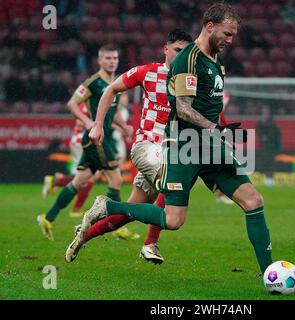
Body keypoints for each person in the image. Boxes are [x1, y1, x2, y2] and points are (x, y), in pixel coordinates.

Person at [67, 2, 273, 276]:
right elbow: (184, 108)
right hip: (179, 147)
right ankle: (130, 225)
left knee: (254, 200)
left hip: (208, 148)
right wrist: (97, 125)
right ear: (209, 26)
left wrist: (222, 132)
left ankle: (270, 273)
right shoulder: (185, 60)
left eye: (233, 34)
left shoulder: (216, 61)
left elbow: (207, 108)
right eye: (227, 33)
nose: (230, 40)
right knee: (172, 219)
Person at [65, 29, 192, 263]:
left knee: (127, 213)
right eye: (177, 50)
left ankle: (84, 235)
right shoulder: (149, 72)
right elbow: (110, 89)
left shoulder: (190, 82)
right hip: (147, 146)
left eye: (186, 52)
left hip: (169, 151)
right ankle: (150, 244)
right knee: (173, 180)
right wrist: (98, 125)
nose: (182, 56)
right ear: (166, 49)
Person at [37, 44, 133, 241]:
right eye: (107, 58)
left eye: (114, 58)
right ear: (99, 61)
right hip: (97, 139)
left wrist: (124, 126)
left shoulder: (116, 83)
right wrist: (88, 122)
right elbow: (71, 103)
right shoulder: (93, 83)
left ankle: (48, 218)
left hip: (99, 139)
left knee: (79, 182)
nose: (112, 61)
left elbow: (111, 112)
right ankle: (115, 226)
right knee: (116, 180)